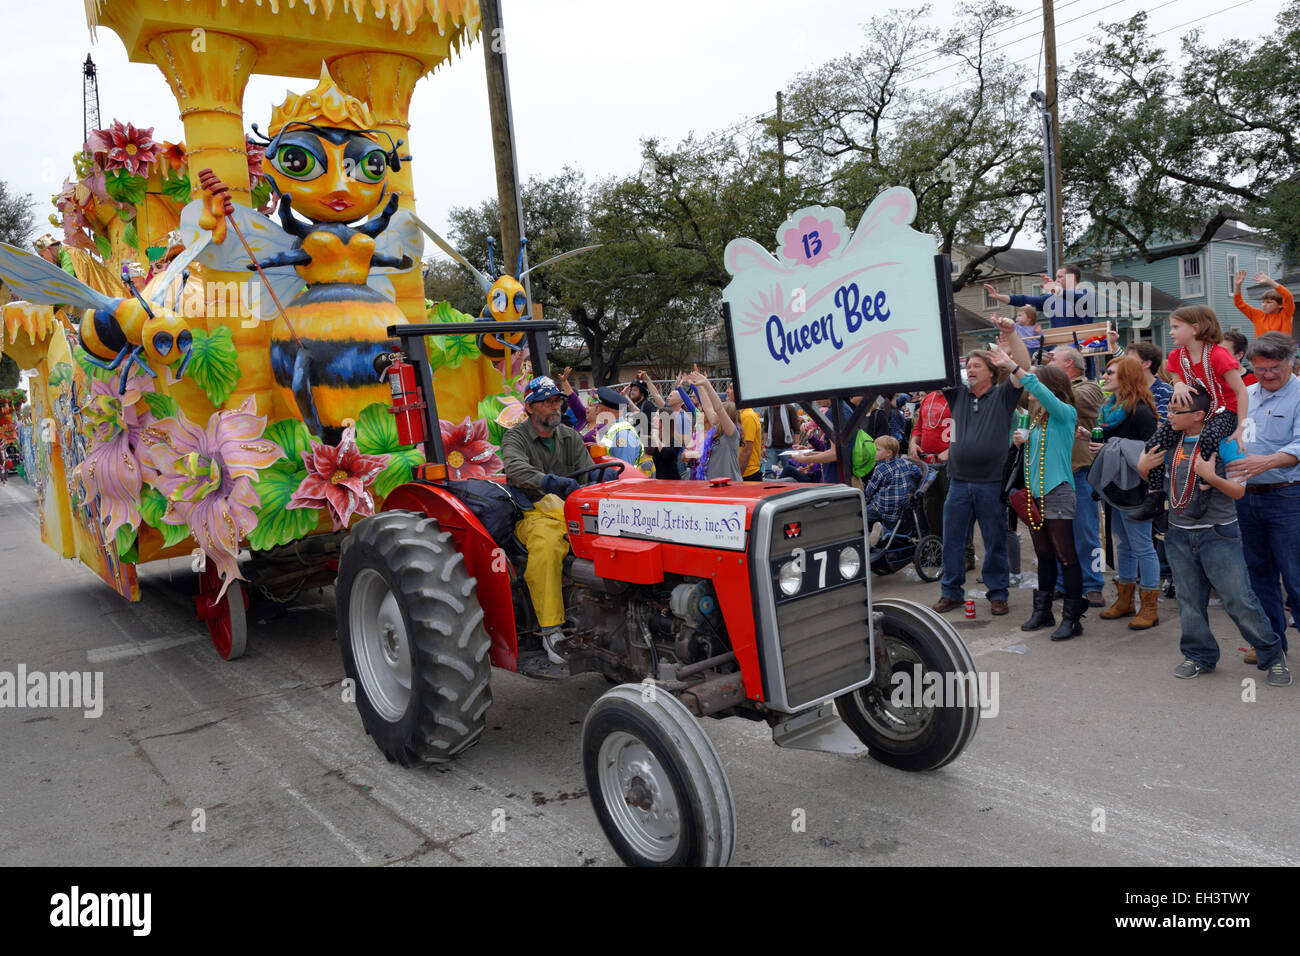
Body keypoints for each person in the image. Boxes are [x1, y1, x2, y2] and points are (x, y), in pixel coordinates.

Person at [1136, 386, 1290, 685]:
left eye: (1175, 412)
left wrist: (1211, 477)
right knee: (1189, 600)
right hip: (1179, 533)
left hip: (1218, 533)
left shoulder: (1226, 443)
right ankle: (1198, 656)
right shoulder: (1170, 441)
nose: (1168, 417)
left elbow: (1239, 490)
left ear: (1198, 415)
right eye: (1167, 411)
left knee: (1239, 600)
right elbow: (1156, 480)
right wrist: (1143, 468)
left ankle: (1272, 656)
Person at [932, 317, 1032, 616]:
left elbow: (1023, 369)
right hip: (959, 483)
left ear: (991, 372)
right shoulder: (957, 394)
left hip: (991, 484)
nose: (970, 371)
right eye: (968, 367)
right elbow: (940, 366)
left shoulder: (1004, 396)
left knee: (994, 541)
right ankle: (951, 592)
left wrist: (1011, 337)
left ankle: (998, 593)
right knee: (952, 541)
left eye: (976, 367)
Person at [987, 345, 1088, 639]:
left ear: (1049, 386)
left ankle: (1072, 618)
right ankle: (1043, 612)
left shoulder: (1064, 413)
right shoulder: (1038, 419)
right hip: (1036, 494)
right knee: (1043, 554)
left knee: (1066, 555)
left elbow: (1041, 393)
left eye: (1036, 380)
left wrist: (1011, 364)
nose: (1030, 386)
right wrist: (1019, 440)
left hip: (1057, 491)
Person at [501, 376, 597, 663]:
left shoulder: (570, 436)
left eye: (557, 400)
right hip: (532, 512)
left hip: (568, 511)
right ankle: (551, 630)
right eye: (547, 402)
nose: (555, 407)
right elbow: (516, 468)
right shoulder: (514, 437)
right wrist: (547, 481)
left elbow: (587, 473)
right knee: (547, 546)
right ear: (530, 408)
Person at [1132, 305, 1250, 519]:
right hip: (1197, 410)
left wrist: (1241, 426)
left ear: (1195, 328)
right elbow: (1176, 377)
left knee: (1208, 438)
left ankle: (1203, 493)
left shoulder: (1219, 355)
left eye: (1176, 327)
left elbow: (1241, 391)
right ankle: (1155, 496)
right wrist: (1177, 384)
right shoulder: (1177, 355)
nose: (1171, 332)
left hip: (1225, 409)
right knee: (1156, 442)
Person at [1226, 332, 1300, 664]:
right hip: (1245, 498)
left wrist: (1266, 462)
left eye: (1275, 369)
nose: (1267, 375)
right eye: (1260, 369)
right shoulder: (1246, 395)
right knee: (1257, 574)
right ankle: (1271, 644)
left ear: (1291, 361)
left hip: (1287, 497)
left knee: (1295, 575)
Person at [1089, 356, 1161, 628]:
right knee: (1123, 545)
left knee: (1143, 546)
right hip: (1116, 487)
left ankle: (1149, 606)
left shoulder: (1141, 410)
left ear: (1127, 377)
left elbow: (1152, 450)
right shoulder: (1110, 408)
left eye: (1110, 372)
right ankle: (1126, 600)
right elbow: (1113, 443)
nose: (1105, 376)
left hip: (1137, 488)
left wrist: (1110, 446)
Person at [1042, 346, 1106, 605]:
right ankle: (1061, 582)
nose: (1048, 361)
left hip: (1079, 472)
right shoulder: (1046, 392)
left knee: (1086, 531)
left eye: (1053, 358)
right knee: (1056, 533)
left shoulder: (1090, 387)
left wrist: (1043, 387)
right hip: (1053, 475)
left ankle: (1092, 584)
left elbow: (1072, 402)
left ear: (1069, 363)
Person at [984, 264, 1095, 327]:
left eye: (1060, 276)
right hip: (1059, 350)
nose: (1057, 280)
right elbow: (1024, 299)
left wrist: (1055, 289)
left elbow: (1075, 298)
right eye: (1056, 277)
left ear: (1072, 277)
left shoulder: (1087, 294)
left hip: (1080, 349)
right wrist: (998, 296)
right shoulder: (1052, 299)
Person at [864, 436, 923, 544]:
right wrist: (911, 488)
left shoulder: (880, 469)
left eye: (877, 449)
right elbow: (918, 472)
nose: (874, 451)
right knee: (891, 529)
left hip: (880, 505)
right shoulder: (906, 463)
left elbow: (870, 489)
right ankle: (883, 531)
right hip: (897, 508)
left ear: (888, 453)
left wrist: (865, 498)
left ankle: (869, 536)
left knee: (862, 516)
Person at [685, 369, 741, 481]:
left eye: (718, 414)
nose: (713, 413)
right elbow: (708, 407)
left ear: (726, 417)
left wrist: (707, 384)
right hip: (714, 484)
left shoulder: (732, 433)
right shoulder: (716, 430)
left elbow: (718, 408)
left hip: (730, 486)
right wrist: (699, 385)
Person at [1233, 269, 1294, 338]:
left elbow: (1287, 295)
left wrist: (1269, 281)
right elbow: (1238, 303)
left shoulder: (1286, 314)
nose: (1264, 305)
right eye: (1263, 302)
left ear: (1280, 305)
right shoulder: (1257, 315)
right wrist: (1237, 285)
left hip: (1282, 348)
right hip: (1261, 348)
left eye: (1269, 302)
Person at [1125, 340, 1174, 421]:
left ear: (1146, 364)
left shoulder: (1165, 391)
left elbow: (1162, 425)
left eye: (1131, 361)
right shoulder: (1127, 390)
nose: (1125, 365)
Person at [739, 401, 763, 481]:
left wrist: (738, 475)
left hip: (748, 473)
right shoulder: (741, 415)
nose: (727, 391)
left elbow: (747, 449)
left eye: (731, 388)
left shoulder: (747, 416)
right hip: (743, 472)